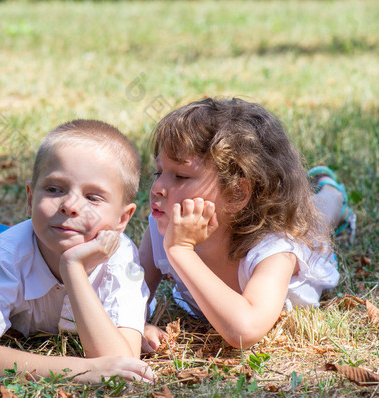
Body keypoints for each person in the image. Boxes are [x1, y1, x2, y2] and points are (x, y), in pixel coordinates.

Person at [141, 98, 355, 351]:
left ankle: (332, 193)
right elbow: (131, 296)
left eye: (180, 176)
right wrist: (136, 325)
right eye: (159, 172)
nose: (157, 188)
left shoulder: (275, 250)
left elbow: (244, 331)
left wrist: (180, 251)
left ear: (236, 193)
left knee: (316, 222)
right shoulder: (161, 229)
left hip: (299, 241)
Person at [0, 119, 155, 383]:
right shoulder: (4, 257)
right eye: (54, 189)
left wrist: (73, 268)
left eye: (93, 197)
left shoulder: (121, 260)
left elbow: (122, 361)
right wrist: (82, 371)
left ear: (122, 219)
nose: (70, 205)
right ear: (29, 197)